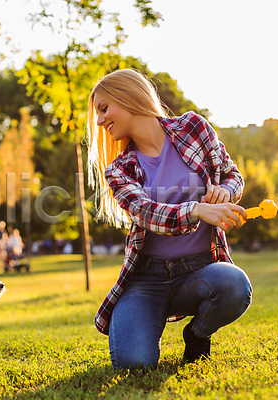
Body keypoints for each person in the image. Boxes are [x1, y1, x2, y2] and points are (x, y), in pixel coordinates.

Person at [86, 69, 252, 368]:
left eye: (103, 108)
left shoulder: (193, 128)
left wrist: (225, 192)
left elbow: (232, 175)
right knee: (133, 363)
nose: (99, 120)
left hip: (201, 269)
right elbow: (146, 213)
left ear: (128, 96)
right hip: (148, 278)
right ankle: (144, 318)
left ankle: (198, 333)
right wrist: (197, 209)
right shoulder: (119, 171)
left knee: (235, 285)